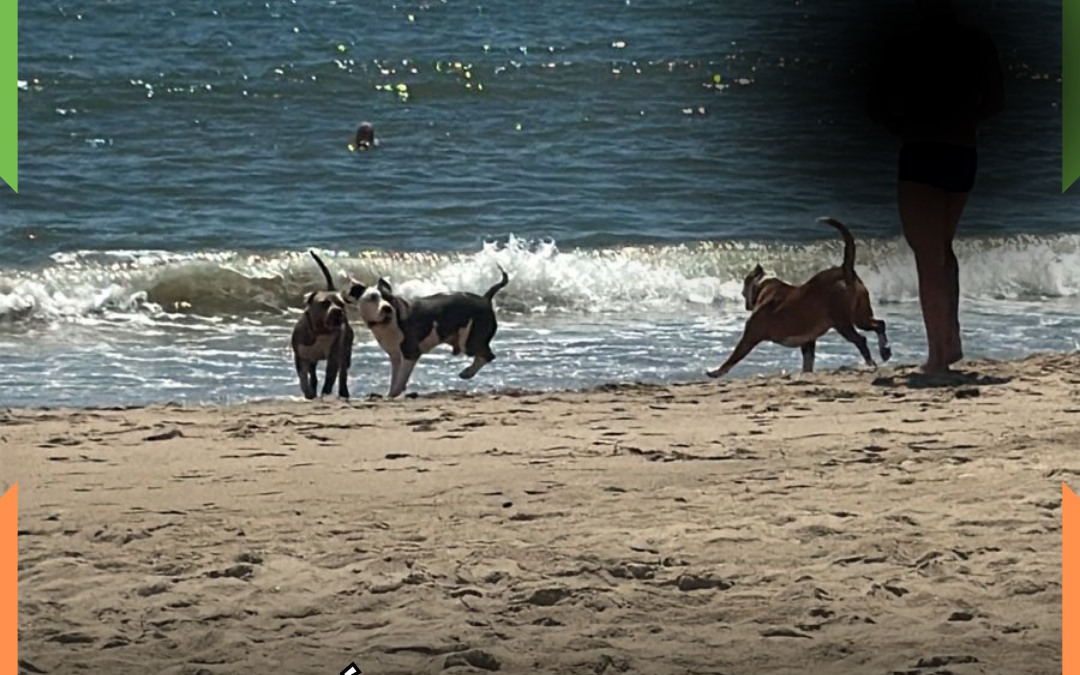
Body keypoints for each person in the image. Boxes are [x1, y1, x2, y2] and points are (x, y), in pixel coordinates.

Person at [866, 0, 1004, 373]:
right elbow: (996, 101)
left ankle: (937, 356)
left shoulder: (903, 44)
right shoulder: (978, 41)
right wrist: (960, 119)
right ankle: (950, 339)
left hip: (922, 150)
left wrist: (903, 127)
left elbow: (875, 103)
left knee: (928, 256)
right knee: (942, 247)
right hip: (962, 150)